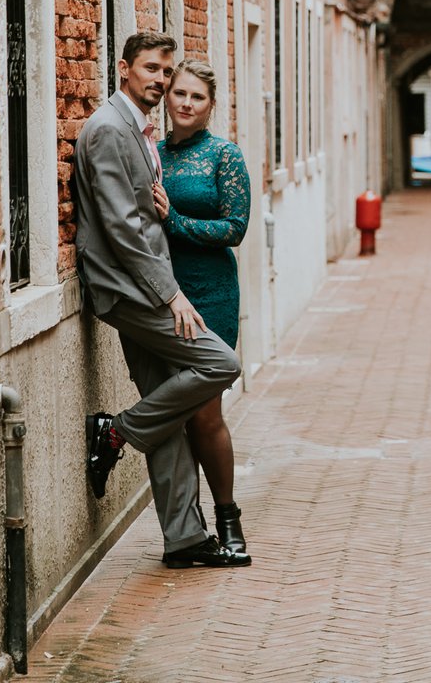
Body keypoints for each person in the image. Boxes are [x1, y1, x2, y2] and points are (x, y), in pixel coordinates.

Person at [74, 30, 242, 570]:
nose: (162, 81)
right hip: (132, 291)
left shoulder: (137, 129)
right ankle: (117, 431)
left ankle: (185, 537)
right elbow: (123, 227)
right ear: (124, 69)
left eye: (167, 72)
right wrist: (171, 295)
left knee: (168, 414)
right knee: (221, 363)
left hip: (148, 284)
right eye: (152, 69)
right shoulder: (108, 129)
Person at [151, 60, 254, 564]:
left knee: (206, 413)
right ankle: (186, 534)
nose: (187, 103)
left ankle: (228, 519)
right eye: (180, 94)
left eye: (198, 97)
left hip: (211, 296)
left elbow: (235, 228)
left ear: (211, 106)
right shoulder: (150, 153)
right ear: (167, 97)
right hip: (161, 296)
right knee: (176, 416)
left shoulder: (223, 156)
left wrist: (175, 221)